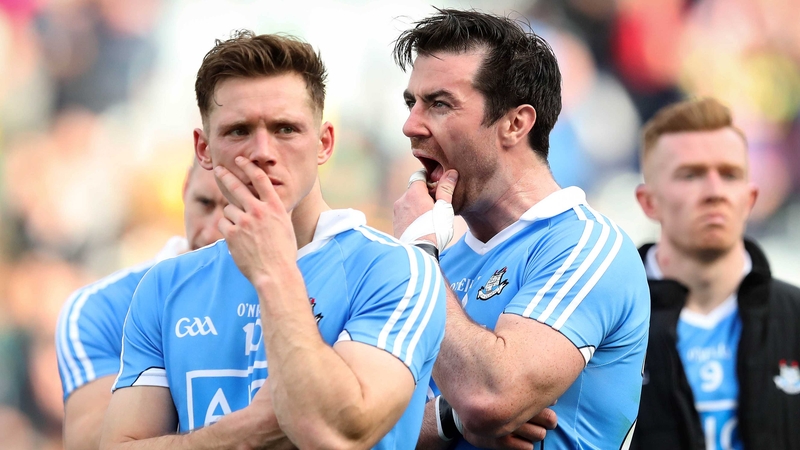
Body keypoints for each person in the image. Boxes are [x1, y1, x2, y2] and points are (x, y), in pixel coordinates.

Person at [100, 31, 446, 449]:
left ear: (324, 143)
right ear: (204, 149)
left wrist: (274, 270)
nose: (262, 151)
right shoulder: (164, 286)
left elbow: (340, 433)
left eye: (285, 128)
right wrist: (248, 430)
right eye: (238, 130)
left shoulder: (395, 270)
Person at [391, 8, 650, 449]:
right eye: (411, 103)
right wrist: (451, 419)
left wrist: (417, 257)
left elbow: (489, 399)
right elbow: (356, 425)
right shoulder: (439, 260)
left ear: (515, 123)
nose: (411, 126)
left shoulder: (585, 246)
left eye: (439, 104)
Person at [632, 97, 800, 450]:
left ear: (750, 198)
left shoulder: (794, 316)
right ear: (649, 202)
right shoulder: (607, 319)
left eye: (729, 174)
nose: (714, 192)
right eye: (690, 175)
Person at [55, 158, 227, 450]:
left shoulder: (299, 291)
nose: (212, 231)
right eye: (205, 203)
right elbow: (90, 440)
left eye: (235, 209)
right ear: (185, 188)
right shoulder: (100, 308)